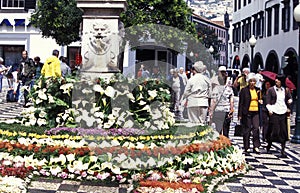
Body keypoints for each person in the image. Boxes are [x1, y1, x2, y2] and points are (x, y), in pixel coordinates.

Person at [266, 74, 292, 158]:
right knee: (274, 130)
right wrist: (270, 109)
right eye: (276, 79)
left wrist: (290, 102)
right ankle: (269, 144)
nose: (276, 81)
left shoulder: (286, 90)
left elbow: (289, 98)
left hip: (283, 112)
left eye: (278, 80)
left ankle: (283, 149)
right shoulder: (271, 90)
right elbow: (268, 101)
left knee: (283, 131)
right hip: (274, 111)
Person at [238, 73, 262, 155]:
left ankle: (256, 146)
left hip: (256, 111)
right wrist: (240, 114)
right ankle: (246, 146)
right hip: (247, 111)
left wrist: (260, 101)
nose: (252, 83)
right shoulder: (244, 90)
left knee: (256, 128)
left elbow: (261, 99)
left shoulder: (258, 90)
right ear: (248, 82)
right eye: (251, 81)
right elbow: (241, 103)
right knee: (247, 129)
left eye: (254, 81)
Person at [210, 66, 234, 137]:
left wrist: (211, 112)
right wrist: (232, 109)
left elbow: (213, 101)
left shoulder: (216, 88)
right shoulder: (228, 88)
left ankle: (220, 145)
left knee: (218, 130)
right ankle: (225, 145)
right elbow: (231, 100)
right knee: (225, 131)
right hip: (225, 110)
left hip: (219, 110)